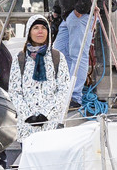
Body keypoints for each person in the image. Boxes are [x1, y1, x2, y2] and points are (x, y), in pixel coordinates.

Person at [9, 13, 73, 143]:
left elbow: (64, 90)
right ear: (29, 32)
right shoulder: (20, 59)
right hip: (27, 129)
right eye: (36, 28)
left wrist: (46, 114)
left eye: (44, 28)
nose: (40, 31)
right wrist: (28, 116)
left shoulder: (58, 57)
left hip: (51, 127)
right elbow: (15, 91)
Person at [53, 0, 98, 97]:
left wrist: (81, 9)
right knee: (59, 53)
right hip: (68, 15)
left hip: (79, 14)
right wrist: (57, 8)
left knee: (78, 55)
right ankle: (62, 91)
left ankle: (74, 95)